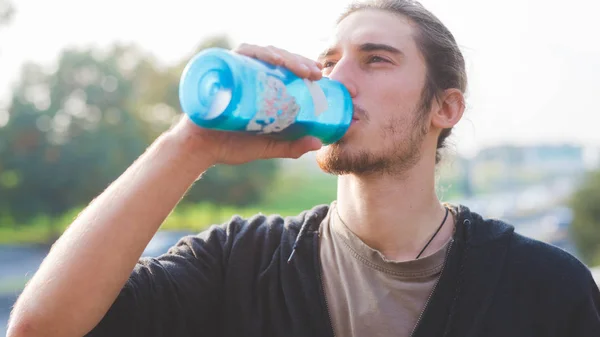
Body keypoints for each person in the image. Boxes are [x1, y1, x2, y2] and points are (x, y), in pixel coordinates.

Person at [7, 0, 600, 336]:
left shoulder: (545, 289)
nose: (338, 78)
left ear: (443, 108)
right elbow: (40, 329)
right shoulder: (241, 261)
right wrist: (188, 145)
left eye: (377, 60)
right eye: (330, 60)